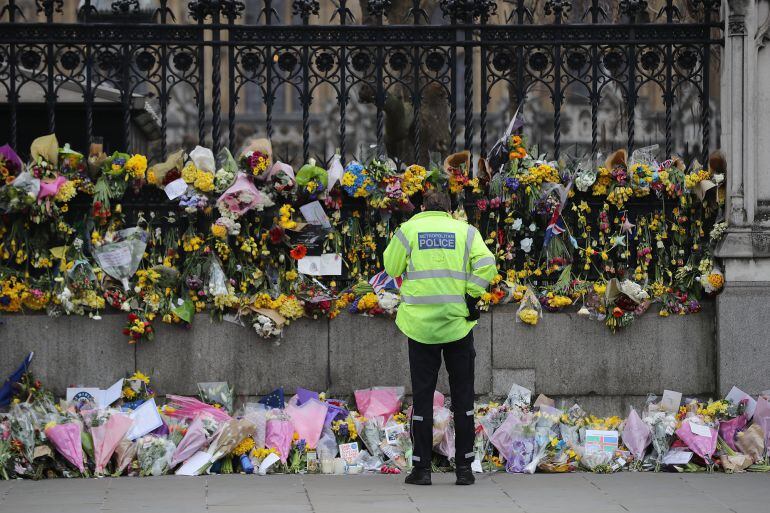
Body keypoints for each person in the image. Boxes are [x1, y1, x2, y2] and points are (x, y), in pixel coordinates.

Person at [383, 188, 496, 486]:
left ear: (422, 207)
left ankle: (421, 470)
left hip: (419, 328)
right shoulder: (465, 231)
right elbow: (487, 264)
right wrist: (472, 296)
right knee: (463, 398)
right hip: (457, 326)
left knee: (422, 399)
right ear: (449, 208)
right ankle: (464, 470)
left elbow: (391, 267)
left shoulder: (408, 230)